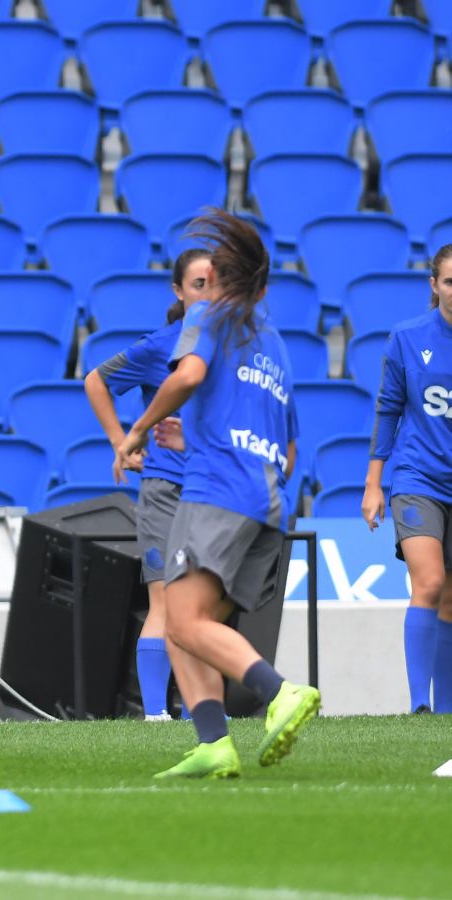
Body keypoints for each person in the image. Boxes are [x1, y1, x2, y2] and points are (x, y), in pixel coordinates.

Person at [115, 210, 317, 779]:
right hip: (267, 499)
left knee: (184, 619)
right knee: (187, 618)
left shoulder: (205, 317)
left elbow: (186, 377)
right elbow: (292, 443)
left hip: (215, 492)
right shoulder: (273, 343)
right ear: (263, 287)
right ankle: (213, 743)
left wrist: (138, 430)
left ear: (220, 284)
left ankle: (281, 692)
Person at [83, 248, 212, 721]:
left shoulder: (231, 348)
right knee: (164, 599)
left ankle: (202, 709)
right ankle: (156, 715)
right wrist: (123, 441)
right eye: (198, 283)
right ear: (179, 291)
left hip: (212, 492)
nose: (209, 292)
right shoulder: (162, 345)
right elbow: (95, 381)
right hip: (164, 489)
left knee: (202, 606)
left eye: (216, 283)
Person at [363, 242, 452, 714]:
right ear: (434, 285)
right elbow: (388, 409)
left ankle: (444, 713)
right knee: (430, 582)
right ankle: (419, 706)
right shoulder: (407, 336)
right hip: (418, 477)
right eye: (450, 281)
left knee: (451, 599)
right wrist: (374, 483)